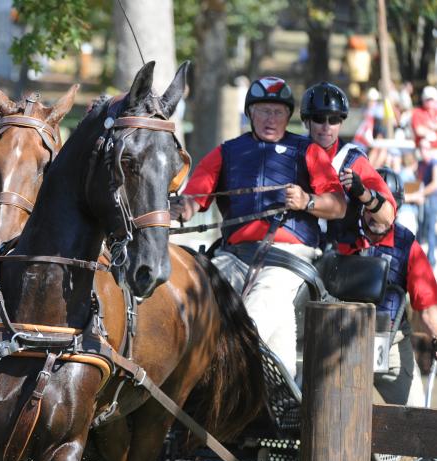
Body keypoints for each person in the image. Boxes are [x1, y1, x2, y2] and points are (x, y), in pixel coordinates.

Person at [178, 76, 346, 377]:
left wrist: (307, 200)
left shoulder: (308, 151)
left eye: (278, 111)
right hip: (233, 256)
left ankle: (216, 387)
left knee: (251, 318)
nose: (271, 118)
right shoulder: (227, 152)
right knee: (200, 303)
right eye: (263, 111)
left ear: (289, 116)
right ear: (250, 114)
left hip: (289, 258)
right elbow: (193, 199)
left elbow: (338, 205)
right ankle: (281, 397)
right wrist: (175, 209)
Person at [335, 167, 437, 407]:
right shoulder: (340, 235)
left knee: (414, 419)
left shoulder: (408, 245)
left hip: (390, 344)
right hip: (339, 343)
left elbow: (428, 308)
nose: (376, 215)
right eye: (371, 208)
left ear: (395, 209)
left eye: (382, 207)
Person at [299, 81, 396, 246]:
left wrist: (363, 193)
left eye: (334, 119)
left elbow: (387, 218)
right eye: (319, 118)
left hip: (342, 258)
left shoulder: (353, 160)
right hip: (298, 251)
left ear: (341, 122)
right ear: (307, 121)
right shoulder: (293, 151)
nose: (326, 127)